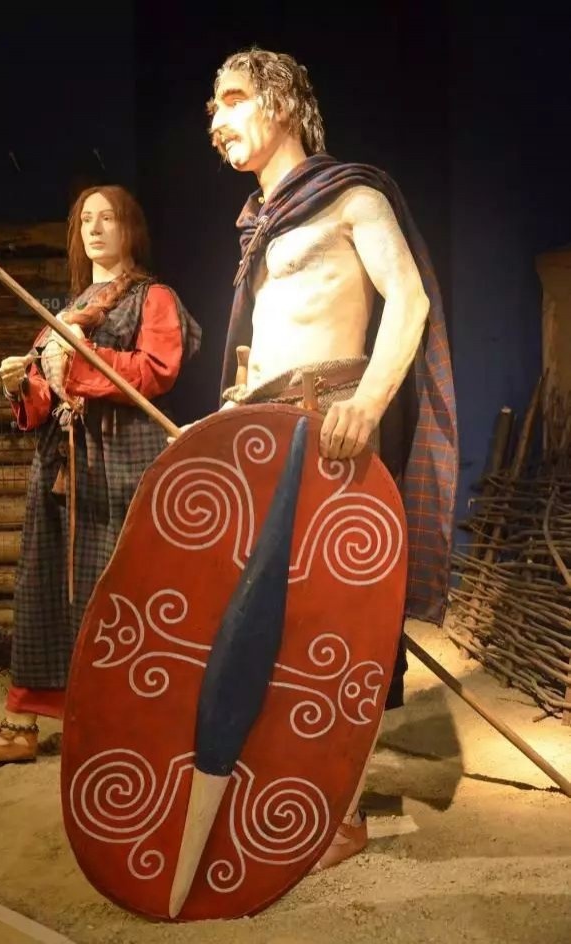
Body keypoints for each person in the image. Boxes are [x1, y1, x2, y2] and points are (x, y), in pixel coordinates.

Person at [187, 47, 458, 869]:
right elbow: (268, 340)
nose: (216, 120)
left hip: (332, 429)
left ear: (280, 105)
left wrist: (366, 405)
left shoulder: (353, 198)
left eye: (233, 100)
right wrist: (236, 404)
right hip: (271, 433)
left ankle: (348, 807)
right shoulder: (262, 225)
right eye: (213, 107)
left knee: (341, 621)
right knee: (277, 620)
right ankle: (289, 784)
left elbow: (408, 298)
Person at [0, 185, 201, 770]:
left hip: (122, 457)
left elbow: (158, 370)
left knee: (121, 590)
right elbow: (43, 397)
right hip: (63, 463)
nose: (95, 229)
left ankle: (124, 722)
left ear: (131, 228)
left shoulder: (154, 298)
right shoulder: (64, 314)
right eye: (86, 220)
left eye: (108, 218)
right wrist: (22, 384)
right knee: (44, 586)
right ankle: (21, 725)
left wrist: (84, 360)